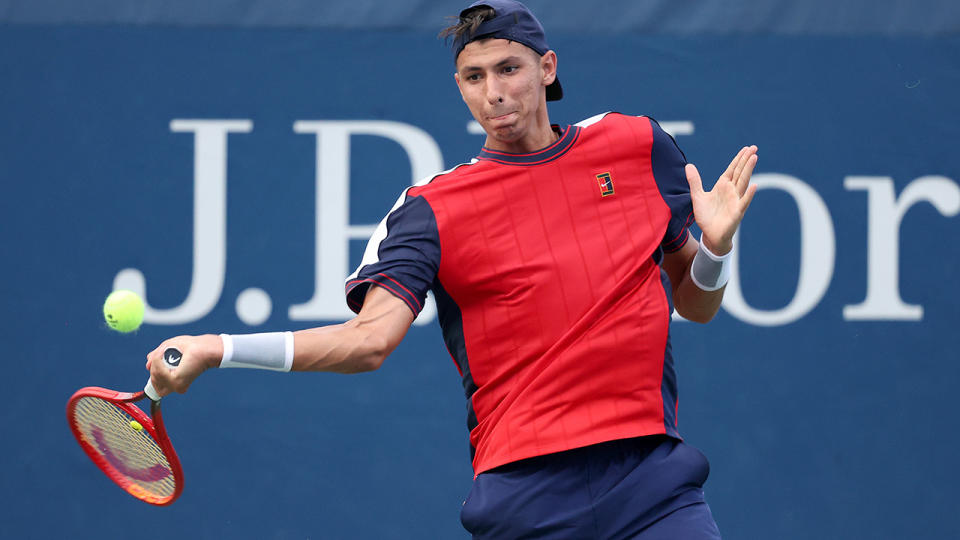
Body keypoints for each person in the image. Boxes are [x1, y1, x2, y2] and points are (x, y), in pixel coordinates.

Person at [146, 1, 758, 537]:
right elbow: (367, 343)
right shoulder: (430, 210)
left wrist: (717, 248)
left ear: (547, 69)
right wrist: (217, 347)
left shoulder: (636, 146)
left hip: (653, 485)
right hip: (527, 499)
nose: (492, 92)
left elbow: (696, 304)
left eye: (508, 69)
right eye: (473, 76)